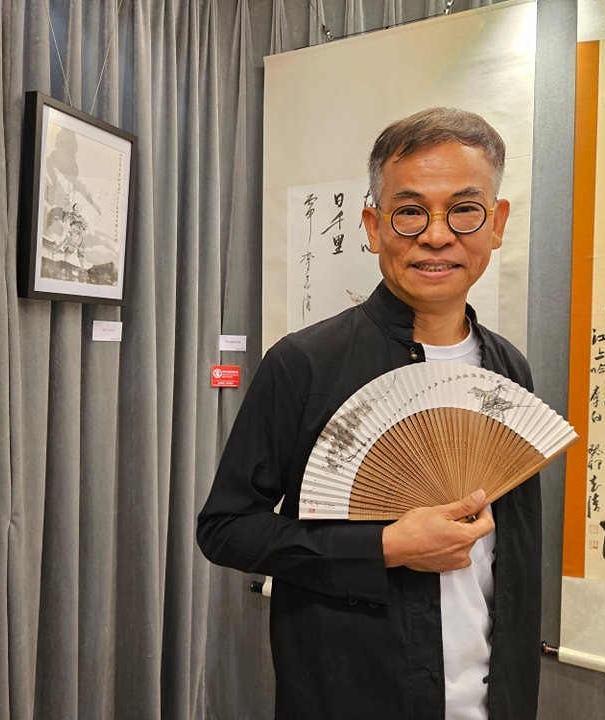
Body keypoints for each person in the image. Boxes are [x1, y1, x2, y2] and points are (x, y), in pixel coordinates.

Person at [196, 107, 541, 719]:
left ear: (497, 224)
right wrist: (383, 546)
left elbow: (510, 563)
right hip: (350, 695)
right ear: (374, 226)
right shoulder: (304, 363)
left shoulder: (508, 369)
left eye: (465, 210)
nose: (437, 236)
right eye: (410, 212)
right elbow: (226, 528)